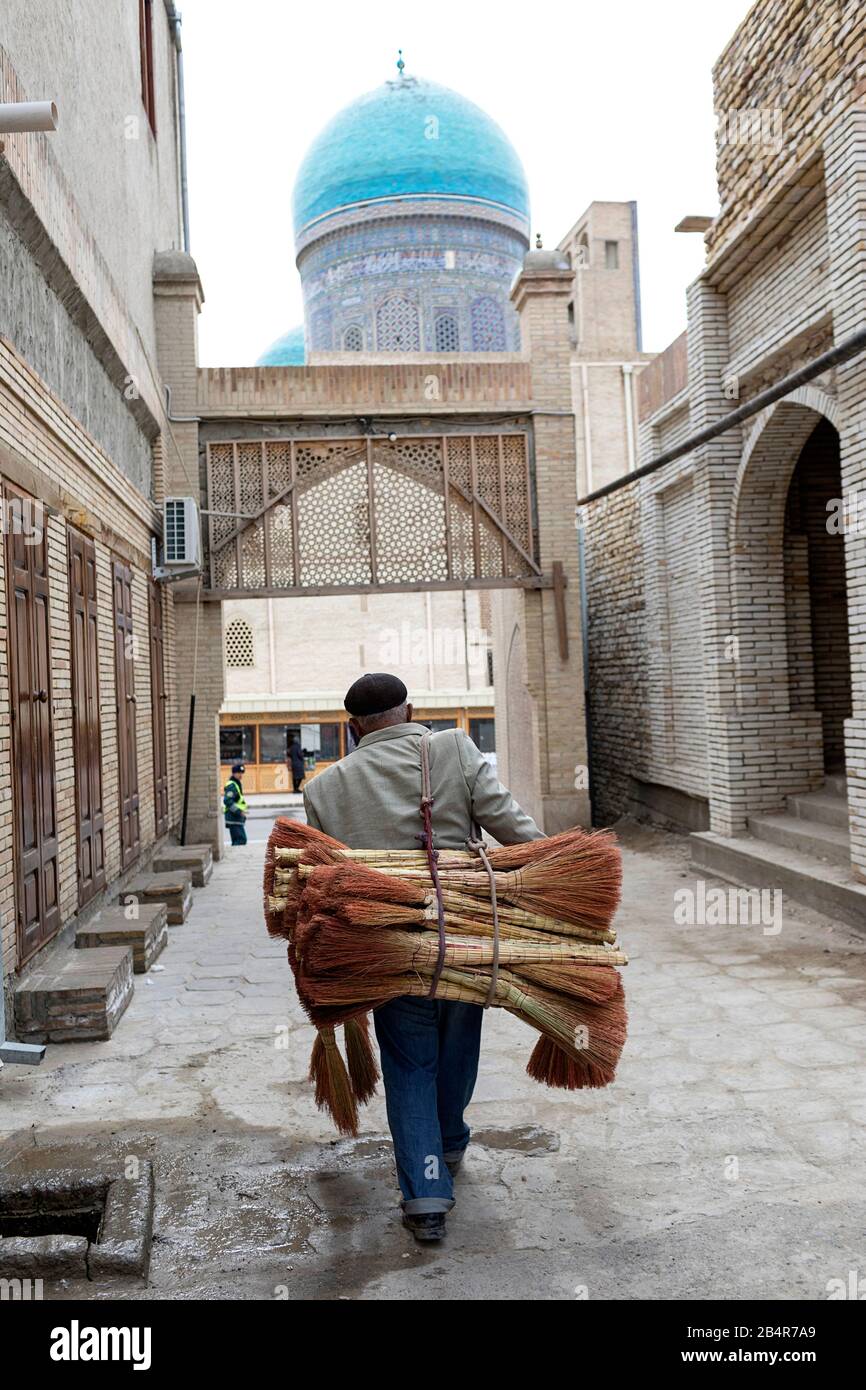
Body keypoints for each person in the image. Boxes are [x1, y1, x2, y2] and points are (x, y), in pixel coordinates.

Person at [304, 673, 544, 1244]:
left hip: (386, 951)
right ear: (412, 710)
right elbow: (516, 830)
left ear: (352, 728)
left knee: (410, 1064)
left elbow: (326, 883)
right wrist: (553, 876)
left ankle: (426, 1195)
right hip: (462, 941)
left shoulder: (325, 788)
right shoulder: (454, 748)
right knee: (459, 1043)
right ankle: (451, 1142)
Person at [223, 762, 248, 846]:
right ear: (234, 773)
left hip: (236, 818)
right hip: (233, 818)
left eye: (242, 773)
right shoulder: (232, 785)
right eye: (239, 773)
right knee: (240, 840)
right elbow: (227, 801)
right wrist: (239, 811)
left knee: (239, 840)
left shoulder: (236, 783)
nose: (241, 775)